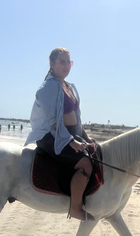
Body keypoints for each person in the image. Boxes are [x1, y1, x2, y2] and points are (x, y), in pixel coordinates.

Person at [25, 47, 95, 221]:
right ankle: (76, 208)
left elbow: (76, 118)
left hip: (67, 133)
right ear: (52, 63)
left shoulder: (68, 86)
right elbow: (53, 122)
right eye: (62, 62)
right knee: (85, 164)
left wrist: (85, 138)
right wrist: (71, 141)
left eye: (68, 62)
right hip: (50, 135)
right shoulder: (47, 88)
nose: (66, 66)